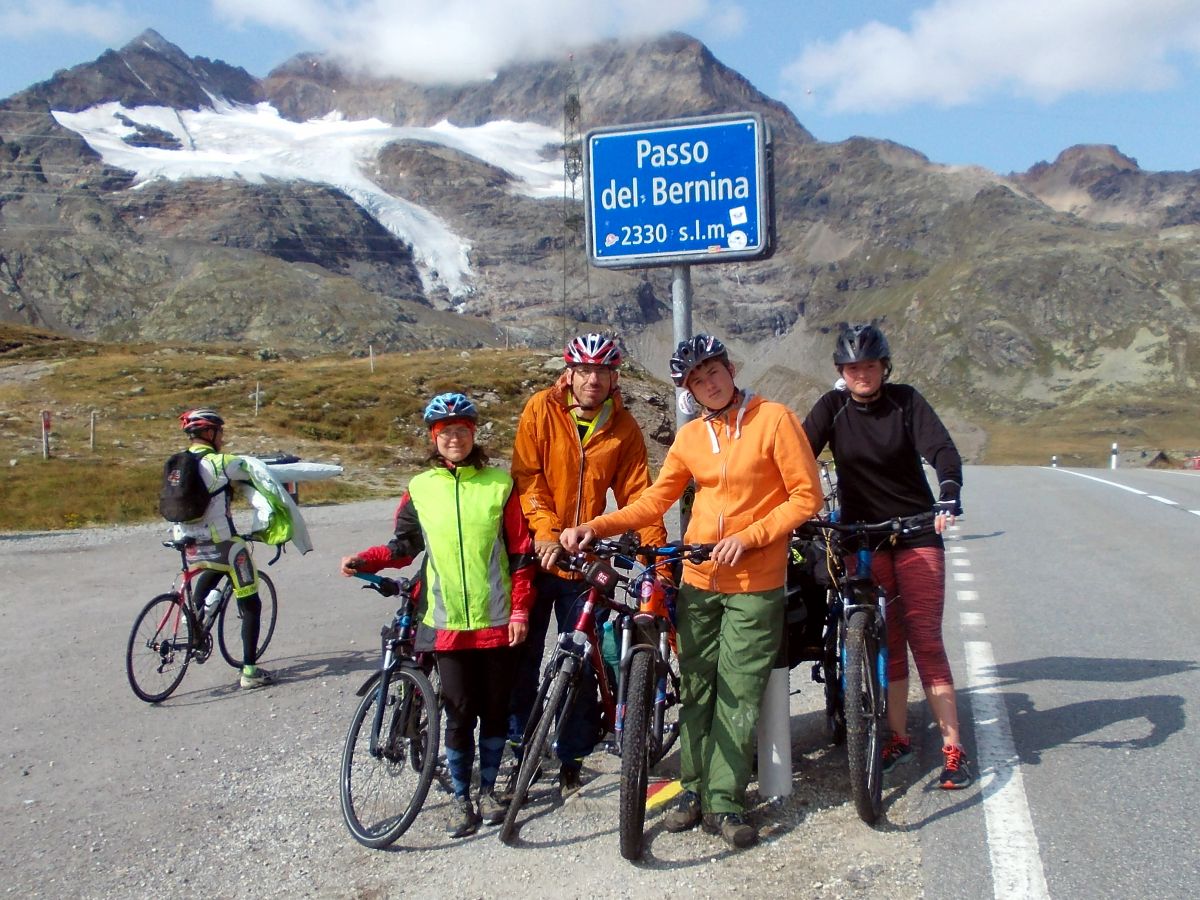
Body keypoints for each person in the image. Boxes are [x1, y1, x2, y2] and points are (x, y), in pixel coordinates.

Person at [560, 334, 823, 849]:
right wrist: (599, 525)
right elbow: (656, 499)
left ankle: (724, 800)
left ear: (729, 369)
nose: (710, 382)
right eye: (697, 379)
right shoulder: (691, 437)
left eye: (714, 371)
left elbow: (805, 496)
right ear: (690, 391)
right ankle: (694, 789)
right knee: (698, 689)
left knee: (738, 690)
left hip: (755, 581)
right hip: (699, 581)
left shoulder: (775, 419)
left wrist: (750, 537)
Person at [340, 392, 534, 838]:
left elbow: (521, 554)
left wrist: (521, 608)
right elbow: (403, 546)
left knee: (495, 709)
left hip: (497, 619)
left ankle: (489, 789)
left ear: (473, 434)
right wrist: (366, 559)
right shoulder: (421, 487)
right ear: (434, 437)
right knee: (459, 710)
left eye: (462, 431)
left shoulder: (499, 485)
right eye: (445, 432)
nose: (454, 438)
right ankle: (461, 797)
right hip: (447, 625)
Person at [802, 323, 972, 790]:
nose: (861, 374)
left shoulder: (906, 401)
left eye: (870, 366)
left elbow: (940, 449)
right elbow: (795, 453)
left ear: (883, 368)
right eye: (853, 367)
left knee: (924, 638)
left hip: (916, 531)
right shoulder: (832, 408)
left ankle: (953, 747)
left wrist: (949, 490)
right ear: (841, 370)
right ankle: (897, 736)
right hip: (862, 537)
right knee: (886, 639)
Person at [508, 331, 667, 795]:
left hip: (586, 561)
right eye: (584, 370)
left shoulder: (624, 428)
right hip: (536, 558)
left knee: (581, 660)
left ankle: (572, 756)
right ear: (570, 374)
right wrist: (545, 532)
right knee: (522, 656)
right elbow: (527, 477)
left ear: (613, 376)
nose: (592, 379)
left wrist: (653, 559)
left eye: (602, 371)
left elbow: (640, 498)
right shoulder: (541, 409)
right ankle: (519, 746)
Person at [171, 408, 274, 690]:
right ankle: (250, 672)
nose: (223, 438)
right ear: (210, 433)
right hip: (222, 543)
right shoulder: (222, 463)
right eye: (220, 432)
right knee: (251, 602)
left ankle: (193, 619)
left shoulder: (177, 463)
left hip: (187, 542)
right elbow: (259, 473)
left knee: (210, 569)